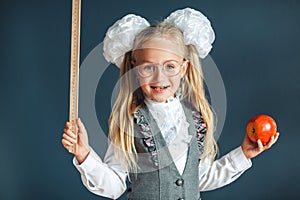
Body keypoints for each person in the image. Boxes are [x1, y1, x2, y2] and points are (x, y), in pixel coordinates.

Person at [62, 8, 279, 200]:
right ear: (135, 70)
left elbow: (199, 179)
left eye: (170, 66)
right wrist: (85, 155)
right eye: (148, 68)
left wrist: (243, 154)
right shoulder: (129, 123)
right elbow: (114, 187)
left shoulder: (195, 120)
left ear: (183, 68)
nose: (159, 78)